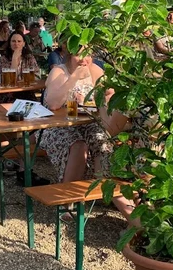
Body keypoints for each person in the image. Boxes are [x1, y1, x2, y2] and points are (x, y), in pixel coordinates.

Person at [40, 46, 129, 184]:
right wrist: (75, 77)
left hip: (88, 123)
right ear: (69, 55)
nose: (83, 59)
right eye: (78, 55)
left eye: (87, 55)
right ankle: (67, 193)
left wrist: (100, 98)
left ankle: (100, 187)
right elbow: (53, 104)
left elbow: (110, 93)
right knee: (78, 146)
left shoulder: (94, 70)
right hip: (58, 126)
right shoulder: (59, 71)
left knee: (102, 142)